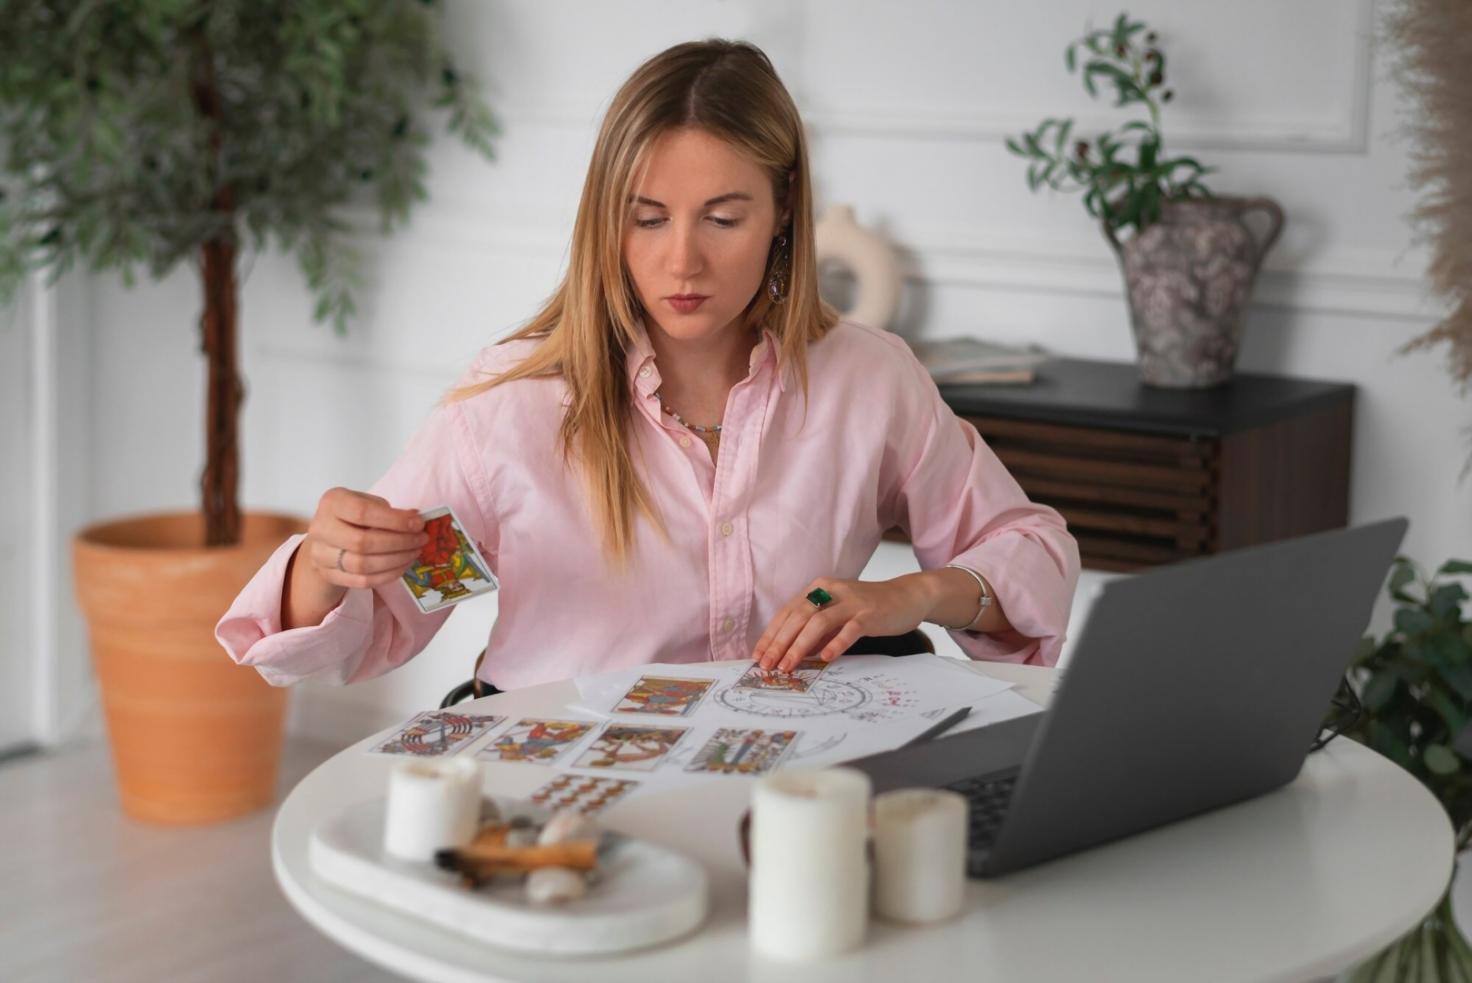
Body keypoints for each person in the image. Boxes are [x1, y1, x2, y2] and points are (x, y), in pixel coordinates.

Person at [215, 38, 1080, 693]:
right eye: (650, 218)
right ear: (606, 219)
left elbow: (1031, 551)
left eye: (724, 218)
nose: (682, 263)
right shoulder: (512, 411)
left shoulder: (870, 383)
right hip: (558, 799)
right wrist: (324, 568)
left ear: (784, 211)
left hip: (783, 790)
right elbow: (386, 617)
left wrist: (916, 595)